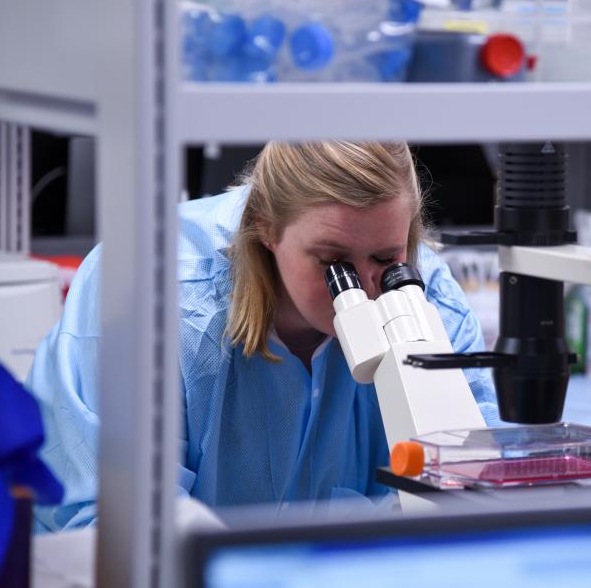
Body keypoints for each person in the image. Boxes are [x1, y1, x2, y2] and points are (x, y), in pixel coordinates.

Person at [27, 141, 498, 531]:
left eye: (384, 257)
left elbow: (471, 497)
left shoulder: (428, 299)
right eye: (333, 263)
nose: (363, 286)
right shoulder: (147, 288)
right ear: (265, 227)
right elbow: (116, 525)